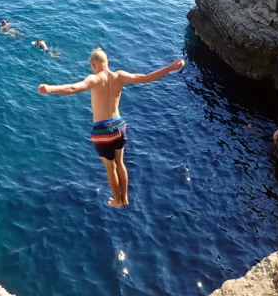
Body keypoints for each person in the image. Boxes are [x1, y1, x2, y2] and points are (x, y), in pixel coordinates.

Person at [38, 48, 185, 208]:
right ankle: (125, 197)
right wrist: (170, 67)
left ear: (93, 65)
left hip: (102, 130)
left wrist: (50, 89)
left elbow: (73, 88)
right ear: (107, 62)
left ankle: (117, 200)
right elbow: (146, 78)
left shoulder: (94, 79)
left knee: (110, 167)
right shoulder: (119, 76)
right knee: (120, 163)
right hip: (119, 126)